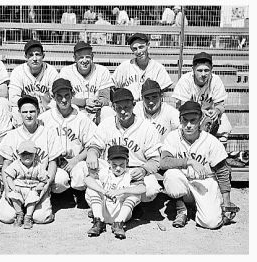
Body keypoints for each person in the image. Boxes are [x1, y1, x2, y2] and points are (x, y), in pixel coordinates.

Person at [160, 101, 240, 229]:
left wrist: (226, 203)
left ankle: (205, 207)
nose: (189, 125)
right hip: (183, 184)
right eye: (185, 120)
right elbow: (164, 162)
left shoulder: (210, 141)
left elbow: (223, 172)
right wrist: (190, 161)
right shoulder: (173, 137)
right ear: (180, 120)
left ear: (200, 120)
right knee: (171, 175)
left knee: (211, 223)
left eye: (193, 121)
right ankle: (182, 210)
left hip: (204, 183)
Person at [85, 88, 163, 205]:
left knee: (151, 189)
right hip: (112, 169)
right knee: (83, 169)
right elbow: (95, 145)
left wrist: (144, 169)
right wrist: (92, 153)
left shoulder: (147, 128)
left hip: (135, 171)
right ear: (113, 108)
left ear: (134, 105)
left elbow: (155, 160)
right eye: (119, 108)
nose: (122, 112)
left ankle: (130, 205)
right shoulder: (107, 124)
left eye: (126, 107)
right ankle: (101, 204)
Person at [0, 95, 64, 225]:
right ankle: (16, 206)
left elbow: (53, 162)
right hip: (16, 185)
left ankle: (45, 202)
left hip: (37, 184)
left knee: (40, 218)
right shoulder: (12, 135)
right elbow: (5, 164)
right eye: (25, 112)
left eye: (32, 111)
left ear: (38, 112)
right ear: (19, 114)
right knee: (6, 217)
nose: (28, 115)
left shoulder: (48, 133)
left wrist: (46, 186)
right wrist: (6, 187)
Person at [38, 78, 97, 207]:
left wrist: (75, 160)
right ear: (53, 97)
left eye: (67, 96)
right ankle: (63, 195)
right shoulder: (44, 118)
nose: (64, 100)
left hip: (76, 160)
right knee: (59, 180)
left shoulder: (82, 118)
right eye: (59, 96)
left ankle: (79, 193)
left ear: (72, 95)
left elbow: (92, 144)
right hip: (54, 162)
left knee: (81, 176)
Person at [172, 52, 232, 149]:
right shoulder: (186, 80)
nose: (203, 74)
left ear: (211, 69)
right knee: (177, 125)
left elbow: (221, 105)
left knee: (224, 122)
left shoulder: (215, 80)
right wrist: (200, 112)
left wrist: (216, 111)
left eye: (206, 70)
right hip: (189, 116)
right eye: (199, 70)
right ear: (193, 69)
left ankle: (221, 159)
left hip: (209, 116)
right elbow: (181, 106)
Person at [85, 145, 146, 239]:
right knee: (92, 188)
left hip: (121, 211)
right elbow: (87, 180)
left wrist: (121, 191)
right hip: (104, 210)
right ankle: (98, 221)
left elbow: (142, 189)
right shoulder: (104, 172)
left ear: (127, 162)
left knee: (134, 195)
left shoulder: (130, 174)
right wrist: (103, 191)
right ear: (109, 162)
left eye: (122, 165)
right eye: (114, 165)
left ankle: (118, 224)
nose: (118, 168)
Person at [108, 33, 173, 101]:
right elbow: (111, 85)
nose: (138, 51)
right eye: (135, 49)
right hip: (129, 106)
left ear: (148, 45)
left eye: (141, 47)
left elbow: (163, 90)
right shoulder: (124, 67)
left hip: (150, 106)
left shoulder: (158, 68)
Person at [58, 41, 111, 123]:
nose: (85, 60)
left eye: (88, 57)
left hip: (96, 111)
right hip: (77, 111)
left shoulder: (102, 71)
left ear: (92, 57)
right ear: (75, 58)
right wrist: (84, 102)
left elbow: (106, 97)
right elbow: (62, 98)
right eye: (81, 57)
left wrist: (98, 103)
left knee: (107, 111)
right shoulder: (66, 72)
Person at [8, 40, 58, 126]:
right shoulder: (18, 72)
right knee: (15, 110)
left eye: (37, 54)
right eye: (31, 55)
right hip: (26, 110)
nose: (34, 59)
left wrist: (47, 106)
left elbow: (57, 97)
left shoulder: (51, 71)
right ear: (25, 57)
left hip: (45, 110)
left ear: (43, 56)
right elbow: (13, 98)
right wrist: (32, 105)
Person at [5, 140, 49, 229]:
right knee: (14, 196)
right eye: (24, 154)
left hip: (32, 188)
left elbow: (44, 179)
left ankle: (28, 217)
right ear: (19, 155)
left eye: (30, 154)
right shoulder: (16, 164)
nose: (27, 156)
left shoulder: (38, 166)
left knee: (33, 198)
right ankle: (19, 214)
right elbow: (8, 176)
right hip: (19, 188)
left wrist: (40, 185)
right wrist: (12, 187)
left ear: (35, 155)